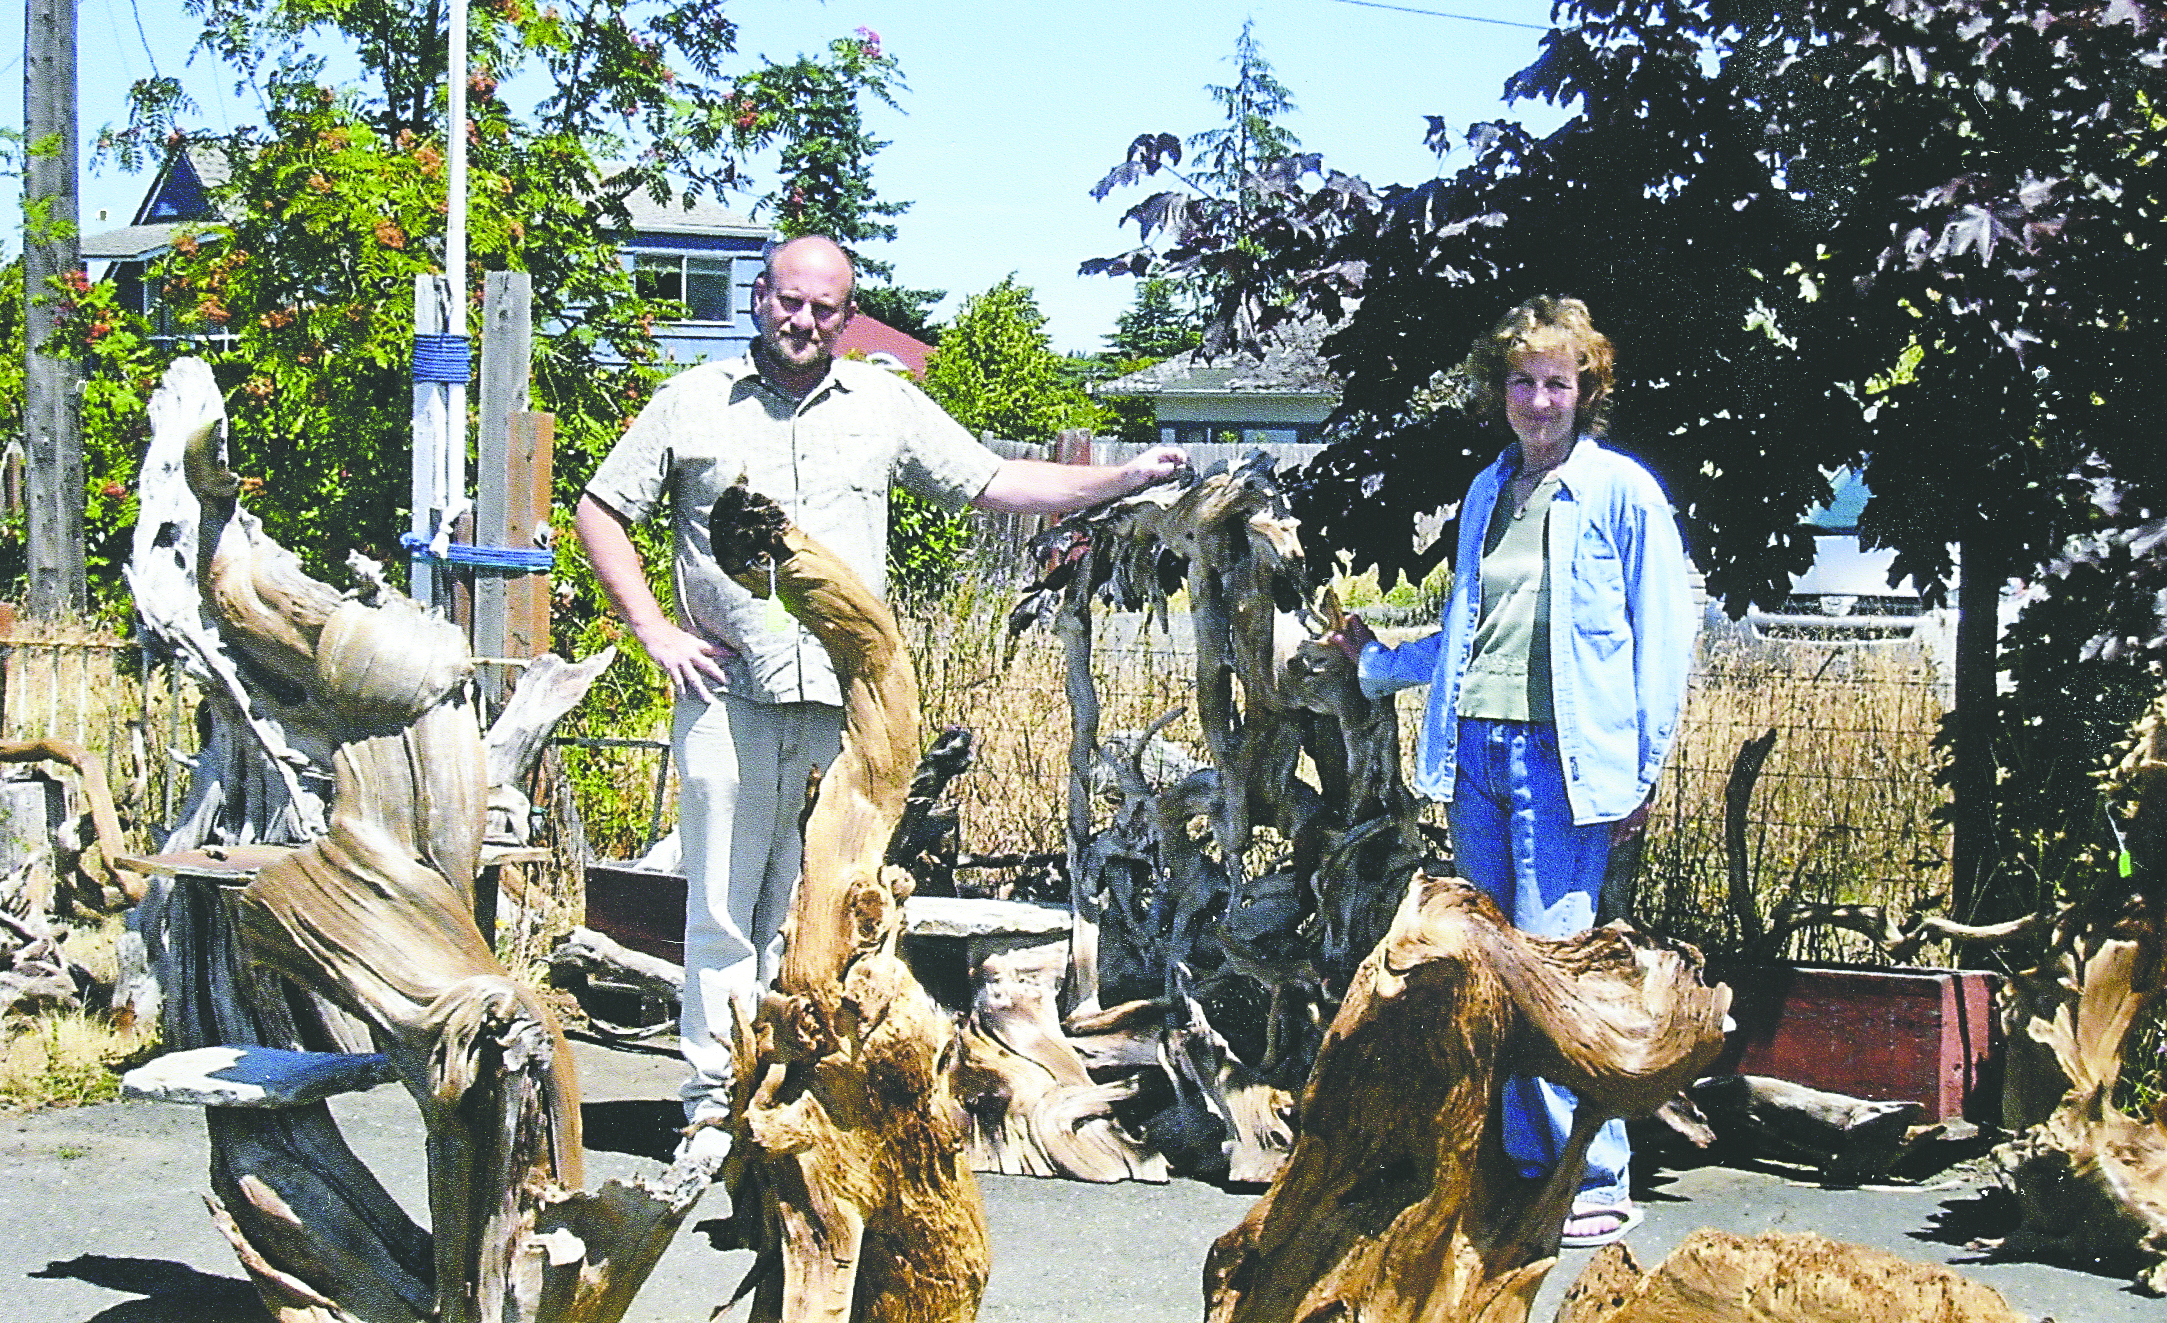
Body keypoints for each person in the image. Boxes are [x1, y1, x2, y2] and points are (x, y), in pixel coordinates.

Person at [574, 235, 1185, 1165]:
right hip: (727, 697)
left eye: (825, 308)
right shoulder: (690, 401)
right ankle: (710, 1107)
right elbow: (599, 508)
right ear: (758, 298)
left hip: (847, 717)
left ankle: (801, 1095)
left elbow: (993, 480)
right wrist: (655, 630)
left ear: (846, 315)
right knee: (724, 912)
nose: (803, 321)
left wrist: (1123, 477)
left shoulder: (882, 404)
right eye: (788, 301)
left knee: (824, 911)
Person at [1333, 296, 1694, 1248]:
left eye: (1558, 383)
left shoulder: (1620, 491)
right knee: (1490, 974)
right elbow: (1470, 631)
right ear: (1501, 390)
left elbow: (1663, 635)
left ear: (1586, 391)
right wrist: (1379, 662)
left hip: (1563, 766)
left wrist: (1644, 765)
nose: (1539, 400)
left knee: (1558, 971)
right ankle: (1527, 1167)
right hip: (1479, 753)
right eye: (1523, 381)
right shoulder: (1489, 490)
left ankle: (1597, 1175)